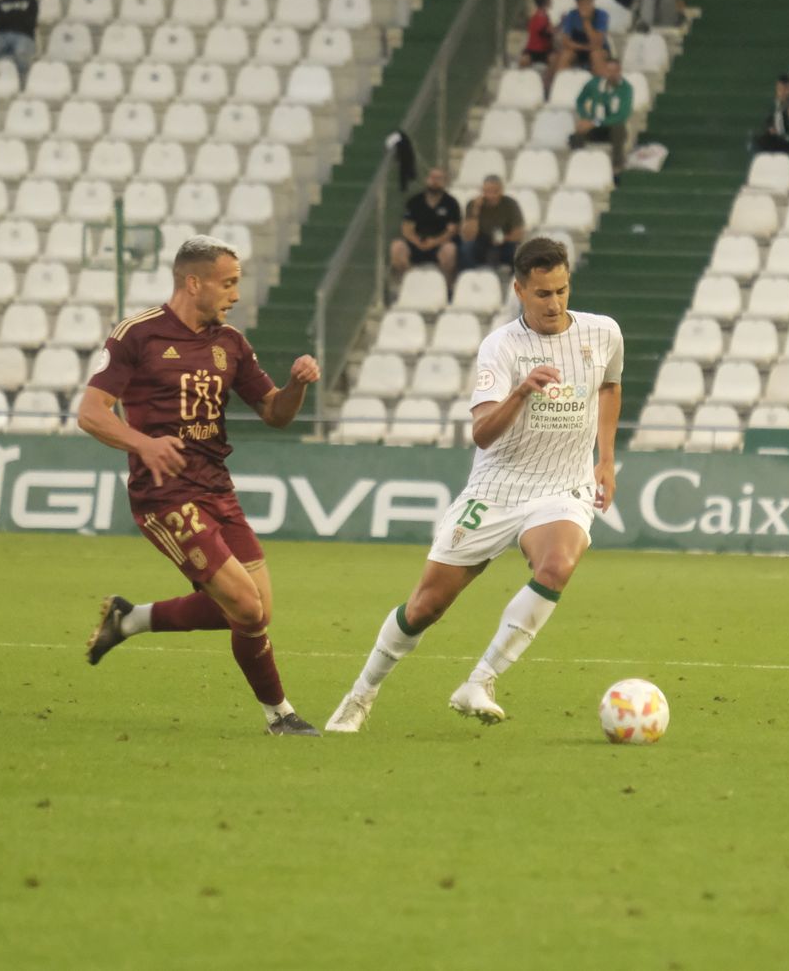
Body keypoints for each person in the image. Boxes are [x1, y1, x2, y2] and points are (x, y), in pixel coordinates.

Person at [324, 237, 623, 733]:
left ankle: (480, 681)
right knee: (425, 607)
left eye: (562, 291)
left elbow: (610, 386)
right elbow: (483, 433)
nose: (555, 304)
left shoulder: (603, 332)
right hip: (497, 488)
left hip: (562, 486)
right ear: (519, 291)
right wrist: (523, 390)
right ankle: (360, 695)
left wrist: (606, 459)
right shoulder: (501, 347)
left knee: (557, 565)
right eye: (543, 294)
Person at [81, 235, 321, 737]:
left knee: (256, 607)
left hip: (217, 489)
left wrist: (296, 384)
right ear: (194, 283)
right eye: (228, 283)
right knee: (248, 609)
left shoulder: (230, 342)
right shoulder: (137, 335)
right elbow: (90, 413)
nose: (235, 294)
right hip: (163, 494)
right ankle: (280, 716)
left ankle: (128, 620)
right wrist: (143, 445)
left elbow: (274, 412)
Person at [389, 166, 461, 284]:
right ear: (426, 179)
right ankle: (408, 283)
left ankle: (446, 287)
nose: (434, 181)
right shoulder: (414, 201)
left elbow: (451, 231)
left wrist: (434, 242)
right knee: (397, 247)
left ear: (445, 182)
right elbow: (406, 227)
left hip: (440, 244)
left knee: (450, 250)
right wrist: (416, 241)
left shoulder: (451, 203)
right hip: (416, 243)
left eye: (439, 178)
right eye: (432, 177)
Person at [570, 56, 633, 168]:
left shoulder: (626, 89)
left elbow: (621, 116)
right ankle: (577, 166)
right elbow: (580, 101)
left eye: (615, 71)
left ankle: (617, 167)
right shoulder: (594, 84)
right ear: (604, 71)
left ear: (620, 71)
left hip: (611, 128)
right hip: (594, 127)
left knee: (618, 128)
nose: (612, 74)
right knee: (576, 135)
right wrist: (585, 117)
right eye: (609, 71)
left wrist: (594, 122)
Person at [459, 176, 525, 273]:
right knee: (466, 249)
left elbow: (518, 233)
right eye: (487, 191)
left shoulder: (510, 204)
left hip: (505, 240)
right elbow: (469, 235)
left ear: (501, 190)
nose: (491, 195)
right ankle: (470, 278)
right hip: (481, 240)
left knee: (517, 252)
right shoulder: (473, 204)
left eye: (495, 191)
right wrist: (475, 211)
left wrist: (504, 239)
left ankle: (515, 281)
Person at [551, 0, 611, 77]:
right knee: (565, 55)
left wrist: (586, 21)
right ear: (577, 4)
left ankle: (601, 84)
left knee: (596, 55)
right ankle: (560, 83)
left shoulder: (601, 15)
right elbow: (566, 41)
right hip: (578, 48)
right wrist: (584, 47)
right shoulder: (571, 15)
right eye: (582, 4)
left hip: (598, 49)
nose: (586, 7)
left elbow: (598, 42)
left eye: (588, 3)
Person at [752, 74, 789, 154]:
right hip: (776, 138)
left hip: (788, 140)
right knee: (761, 140)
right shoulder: (777, 103)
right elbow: (769, 119)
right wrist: (770, 127)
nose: (780, 92)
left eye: (784, 89)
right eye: (778, 89)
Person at [520, 0, 554, 70]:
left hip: (539, 50)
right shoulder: (540, 16)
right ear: (546, 0)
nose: (551, 0)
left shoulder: (542, 15)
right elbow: (544, 32)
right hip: (536, 51)